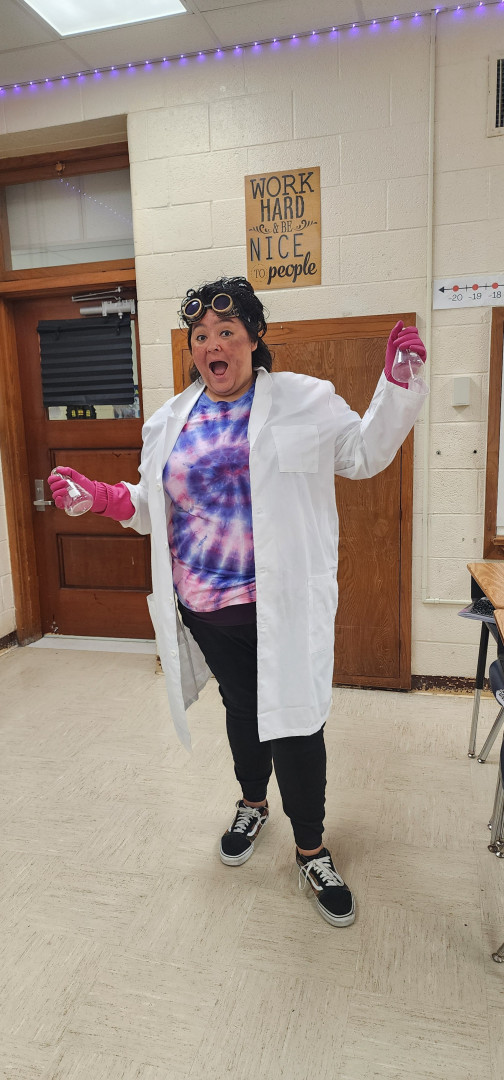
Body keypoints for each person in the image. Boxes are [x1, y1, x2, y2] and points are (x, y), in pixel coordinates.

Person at [48, 276, 427, 928]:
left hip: (283, 607)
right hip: (206, 609)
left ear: (253, 337)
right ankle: (253, 803)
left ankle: (311, 848)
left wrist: (397, 385)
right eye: (201, 336)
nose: (213, 344)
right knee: (243, 709)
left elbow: (364, 453)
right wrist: (104, 499)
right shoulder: (170, 421)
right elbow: (151, 505)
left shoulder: (306, 400)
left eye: (226, 331)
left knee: (297, 722)